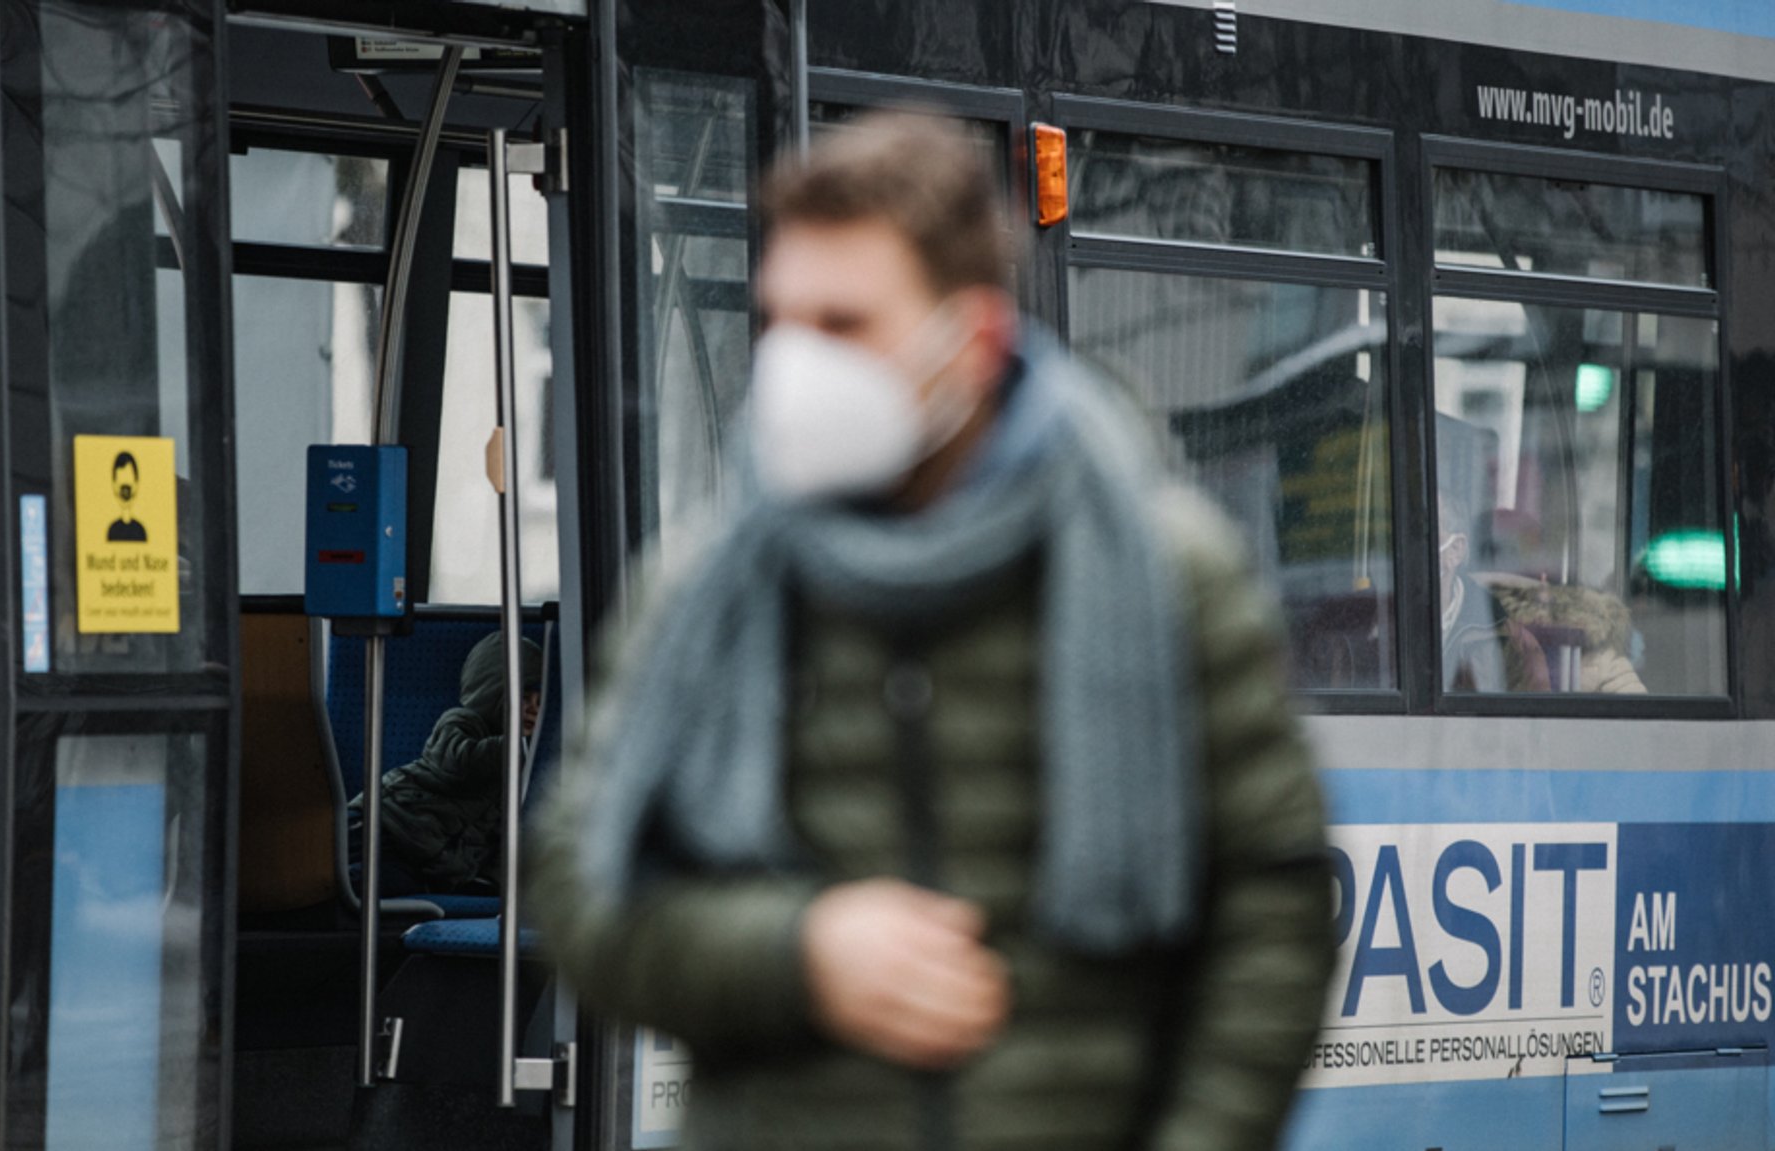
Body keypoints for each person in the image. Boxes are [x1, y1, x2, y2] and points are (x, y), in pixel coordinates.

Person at [535, 113, 1333, 1151]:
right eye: (778, 318)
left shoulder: (1167, 574)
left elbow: (1270, 908)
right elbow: (577, 893)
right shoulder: (707, 585)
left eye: (842, 322)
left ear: (973, 341)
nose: (790, 364)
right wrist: (796, 952)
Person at [349, 632, 542, 895]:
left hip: (419, 859)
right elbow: (459, 762)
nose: (533, 709)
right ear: (492, 692)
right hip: (387, 822)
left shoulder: (515, 775)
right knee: (331, 865)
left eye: (540, 702)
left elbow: (500, 838)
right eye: (524, 697)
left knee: (382, 885)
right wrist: (519, 748)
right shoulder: (462, 721)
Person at [1438, 492, 1645, 694]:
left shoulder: (1519, 638)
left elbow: (1638, 718)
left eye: (1538, 551)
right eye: (1504, 553)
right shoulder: (1493, 625)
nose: (1536, 567)